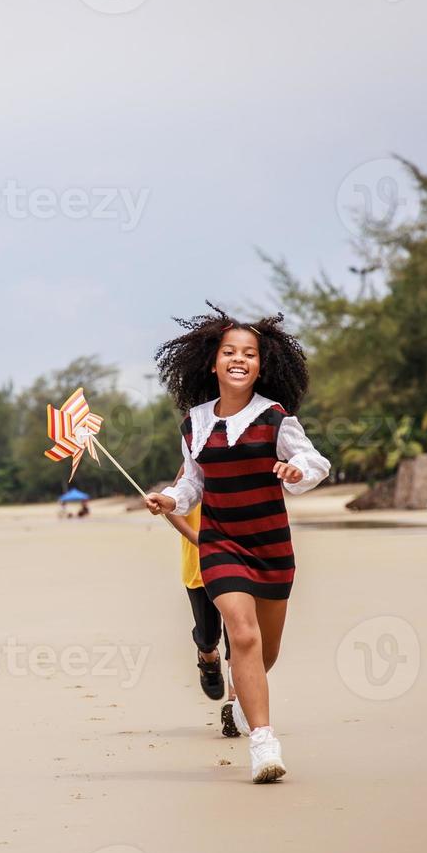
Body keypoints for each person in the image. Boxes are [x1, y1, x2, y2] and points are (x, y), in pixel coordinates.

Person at [144, 304, 330, 784]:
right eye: (230, 351)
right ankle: (264, 743)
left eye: (249, 353)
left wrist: (295, 472)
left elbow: (316, 463)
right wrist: (169, 498)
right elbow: (193, 483)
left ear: (261, 365)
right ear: (213, 362)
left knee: (265, 651)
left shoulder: (275, 417)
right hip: (221, 542)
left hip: (271, 547)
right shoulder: (195, 423)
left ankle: (246, 697)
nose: (239, 359)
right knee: (242, 636)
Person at [162, 466, 230, 706]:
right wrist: (196, 538)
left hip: (235, 563)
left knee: (240, 636)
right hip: (199, 570)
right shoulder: (193, 460)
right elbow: (171, 510)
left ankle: (235, 702)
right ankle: (207, 658)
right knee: (208, 635)